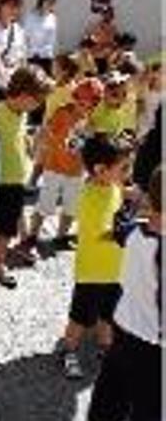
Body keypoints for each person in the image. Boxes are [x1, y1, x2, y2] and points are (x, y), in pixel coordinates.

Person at [87, 166, 162, 420]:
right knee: (148, 408)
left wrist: (133, 200)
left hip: (123, 332)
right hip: (153, 346)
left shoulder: (133, 232)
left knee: (108, 401)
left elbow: (120, 225)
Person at [59, 133, 132, 379]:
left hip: (114, 270)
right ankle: (68, 350)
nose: (127, 172)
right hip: (92, 273)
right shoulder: (88, 197)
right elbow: (104, 233)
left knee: (108, 315)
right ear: (101, 170)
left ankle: (105, 348)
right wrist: (132, 230)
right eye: (122, 168)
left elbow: (122, 201)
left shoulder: (113, 186)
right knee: (81, 316)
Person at [26, 78, 103, 252]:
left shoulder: (91, 122)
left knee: (71, 207)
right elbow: (46, 132)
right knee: (45, 204)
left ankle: (61, 236)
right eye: (82, 102)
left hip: (76, 171)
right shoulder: (63, 113)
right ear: (75, 98)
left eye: (90, 104)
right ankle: (32, 235)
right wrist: (47, 145)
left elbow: (88, 147)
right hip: (54, 167)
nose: (85, 107)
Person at [0, 66, 51, 286]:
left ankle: (20, 243)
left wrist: (32, 140)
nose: (39, 106)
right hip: (3, 179)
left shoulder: (21, 113)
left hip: (16, 176)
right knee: (4, 226)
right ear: (24, 95)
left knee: (14, 215)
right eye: (37, 101)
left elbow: (22, 137)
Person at [0, 0, 26, 84]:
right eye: (10, 6)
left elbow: (22, 56)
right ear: (0, 6)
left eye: (17, 7)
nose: (14, 10)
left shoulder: (18, 30)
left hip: (13, 82)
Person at [23, 0, 58, 75]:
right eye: (48, 1)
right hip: (31, 56)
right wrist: (32, 51)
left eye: (52, 2)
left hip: (45, 57)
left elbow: (51, 40)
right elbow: (26, 36)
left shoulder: (52, 18)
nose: (50, 4)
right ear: (41, 1)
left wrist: (42, 52)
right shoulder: (31, 16)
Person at [90, 70, 133, 138]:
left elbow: (117, 130)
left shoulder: (119, 110)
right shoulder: (99, 110)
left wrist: (124, 136)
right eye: (115, 95)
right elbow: (99, 134)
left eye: (124, 94)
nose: (121, 99)